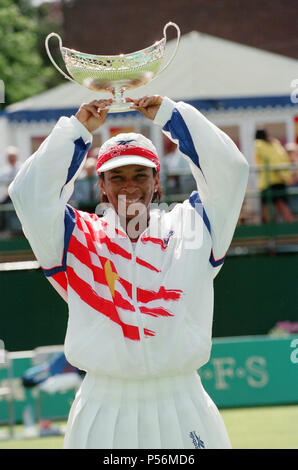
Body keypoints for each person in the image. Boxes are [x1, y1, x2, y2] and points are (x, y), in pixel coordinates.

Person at [8, 95, 249, 449]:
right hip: (104, 407)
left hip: (182, 401)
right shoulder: (74, 235)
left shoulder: (195, 225)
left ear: (158, 182)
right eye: (116, 177)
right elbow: (28, 194)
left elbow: (231, 170)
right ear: (101, 186)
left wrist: (171, 115)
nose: (129, 185)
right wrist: (76, 131)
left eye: (140, 174)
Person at [254, 129, 294, 223]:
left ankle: (269, 234)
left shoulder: (259, 144)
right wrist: (285, 175)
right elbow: (283, 158)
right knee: (282, 205)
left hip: (268, 182)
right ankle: (293, 230)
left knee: (266, 207)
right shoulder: (276, 144)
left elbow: (270, 160)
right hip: (280, 180)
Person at [0, 146, 21, 231]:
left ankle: (20, 230)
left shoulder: (21, 167)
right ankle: (5, 229)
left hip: (18, 196)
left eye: (12, 157)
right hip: (8, 197)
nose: (11, 159)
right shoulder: (5, 170)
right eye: (9, 157)